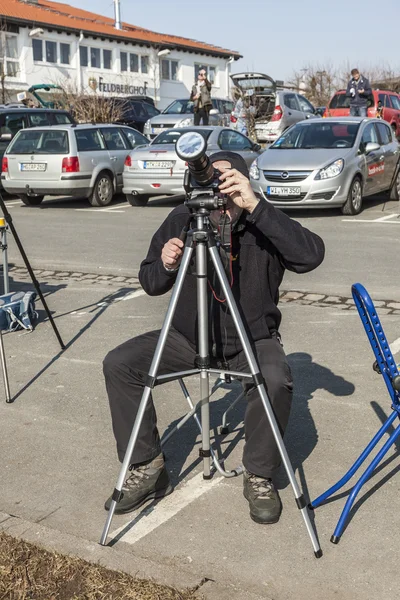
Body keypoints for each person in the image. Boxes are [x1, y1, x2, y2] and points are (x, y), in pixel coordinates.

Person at [103, 152, 325, 525]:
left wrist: (254, 204)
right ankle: (147, 464)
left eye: (225, 181)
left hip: (251, 338)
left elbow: (311, 256)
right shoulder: (184, 217)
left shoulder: (261, 218)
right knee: (120, 363)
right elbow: (150, 281)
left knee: (275, 379)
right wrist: (167, 263)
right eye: (209, 182)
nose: (217, 192)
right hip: (189, 338)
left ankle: (259, 473)